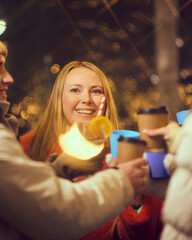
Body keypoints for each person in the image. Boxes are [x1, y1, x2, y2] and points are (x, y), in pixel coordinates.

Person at [0, 40, 149, 240]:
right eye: (75, 90)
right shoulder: (25, 147)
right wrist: (122, 181)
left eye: (95, 91)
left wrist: (137, 203)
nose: (87, 99)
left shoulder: (120, 150)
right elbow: (53, 213)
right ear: (58, 98)